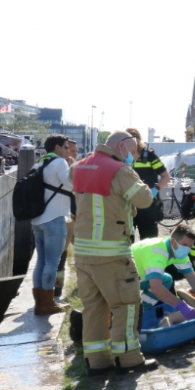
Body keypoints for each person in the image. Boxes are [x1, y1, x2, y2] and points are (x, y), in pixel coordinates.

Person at [71, 130, 157, 376]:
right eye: (132, 152)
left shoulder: (79, 166)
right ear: (122, 147)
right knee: (126, 304)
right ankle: (128, 359)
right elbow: (144, 199)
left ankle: (97, 362)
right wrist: (137, 177)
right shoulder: (121, 171)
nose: (132, 157)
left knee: (94, 308)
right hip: (111, 251)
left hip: (84, 253)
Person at [31, 134, 74, 314]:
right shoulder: (59, 163)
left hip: (38, 220)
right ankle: (47, 303)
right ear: (57, 148)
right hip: (54, 218)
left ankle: (40, 303)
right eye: (66, 147)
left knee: (41, 261)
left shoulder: (40, 163)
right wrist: (73, 167)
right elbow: (72, 185)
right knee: (52, 262)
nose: (68, 151)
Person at [132, 224, 195, 327]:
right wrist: (182, 306)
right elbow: (156, 288)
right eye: (185, 245)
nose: (187, 249)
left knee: (166, 280)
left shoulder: (178, 251)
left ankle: (141, 311)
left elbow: (193, 279)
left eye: (190, 246)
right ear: (173, 241)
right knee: (159, 284)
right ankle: (130, 316)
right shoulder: (157, 253)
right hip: (122, 277)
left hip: (138, 275)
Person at [126, 127, 171, 241]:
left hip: (148, 204)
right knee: (126, 242)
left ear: (139, 140)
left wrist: (155, 190)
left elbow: (165, 176)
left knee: (149, 242)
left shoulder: (149, 157)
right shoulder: (121, 158)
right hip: (128, 205)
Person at [54, 139, 79, 299]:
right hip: (66, 216)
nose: (75, 155)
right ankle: (57, 287)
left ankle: (86, 282)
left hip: (77, 216)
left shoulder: (74, 166)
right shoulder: (60, 167)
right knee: (61, 254)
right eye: (72, 151)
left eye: (76, 152)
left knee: (84, 250)